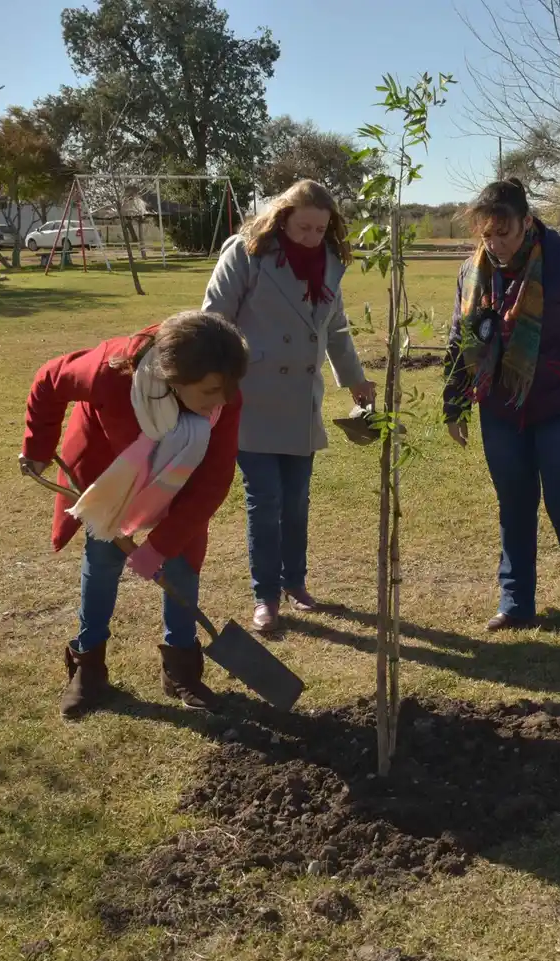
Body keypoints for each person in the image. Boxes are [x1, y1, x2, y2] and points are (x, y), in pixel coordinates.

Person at [19, 310, 249, 719]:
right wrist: (38, 448)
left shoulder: (224, 394)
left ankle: (181, 668)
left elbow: (212, 481)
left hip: (182, 479)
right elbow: (49, 380)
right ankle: (88, 666)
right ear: (173, 376)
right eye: (213, 389)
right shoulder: (111, 371)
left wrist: (158, 547)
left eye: (229, 388)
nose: (224, 399)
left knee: (180, 562)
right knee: (103, 558)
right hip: (114, 472)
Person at [443, 178, 560, 645]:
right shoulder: (472, 270)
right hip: (501, 410)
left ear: (527, 221)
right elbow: (461, 337)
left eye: (504, 232)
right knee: (514, 507)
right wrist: (455, 402)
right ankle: (515, 602)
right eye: (486, 234)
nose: (495, 244)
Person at [202, 179, 377, 633]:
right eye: (303, 227)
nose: (312, 237)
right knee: (266, 500)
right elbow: (213, 319)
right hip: (252, 396)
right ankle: (266, 596)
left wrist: (355, 380)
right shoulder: (245, 253)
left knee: (296, 501)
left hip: (302, 400)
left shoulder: (332, 263)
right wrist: (215, 382)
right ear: (281, 218)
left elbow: (335, 329)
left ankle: (294, 582)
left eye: (321, 229)